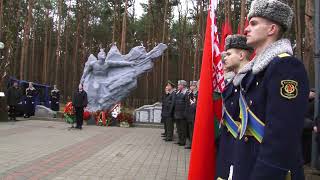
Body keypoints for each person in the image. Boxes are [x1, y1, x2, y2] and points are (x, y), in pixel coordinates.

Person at [233, 0, 310, 179]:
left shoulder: (286, 67)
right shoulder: (254, 72)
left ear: (271, 29)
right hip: (248, 164)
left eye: (253, 23)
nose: (246, 29)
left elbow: (282, 137)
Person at [216, 35, 253, 179]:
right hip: (228, 146)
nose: (224, 58)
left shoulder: (251, 81)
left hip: (242, 148)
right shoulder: (232, 84)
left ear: (242, 55)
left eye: (229, 54)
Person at [173, 80, 188, 146]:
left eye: (179, 85)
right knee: (178, 128)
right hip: (177, 113)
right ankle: (179, 140)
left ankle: (183, 141)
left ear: (183, 85)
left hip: (183, 114)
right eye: (178, 85)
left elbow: (187, 104)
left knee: (183, 128)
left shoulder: (186, 93)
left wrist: (185, 113)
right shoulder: (178, 93)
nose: (178, 86)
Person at [184, 81, 198, 149]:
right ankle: (190, 143)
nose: (191, 87)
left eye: (192, 86)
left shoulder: (197, 94)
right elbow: (187, 105)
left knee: (194, 131)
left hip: (195, 115)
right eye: (190, 86)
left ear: (195, 86)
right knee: (190, 130)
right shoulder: (189, 94)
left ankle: (194, 144)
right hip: (189, 115)